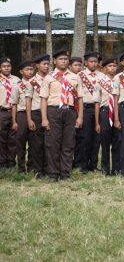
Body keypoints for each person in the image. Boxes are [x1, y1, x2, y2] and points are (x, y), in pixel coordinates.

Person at [40, 49, 83, 181]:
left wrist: (80, 117)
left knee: (68, 143)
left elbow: (80, 98)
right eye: (60, 59)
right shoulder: (49, 77)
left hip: (70, 111)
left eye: (65, 59)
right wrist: (44, 118)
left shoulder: (75, 77)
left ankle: (65, 174)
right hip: (53, 111)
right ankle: (53, 174)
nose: (63, 61)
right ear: (54, 61)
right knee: (53, 144)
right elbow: (44, 99)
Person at [75, 52, 101, 173]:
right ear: (85, 63)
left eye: (96, 61)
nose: (94, 64)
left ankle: (94, 165)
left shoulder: (101, 76)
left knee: (96, 138)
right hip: (85, 108)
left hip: (98, 108)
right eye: (91, 61)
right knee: (85, 138)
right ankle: (83, 165)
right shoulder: (79, 76)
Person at [24, 54, 48, 177]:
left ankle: (47, 168)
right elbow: (28, 100)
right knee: (36, 143)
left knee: (48, 143)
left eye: (48, 64)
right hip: (36, 113)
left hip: (50, 113)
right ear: (37, 66)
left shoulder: (51, 78)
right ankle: (37, 170)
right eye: (44, 64)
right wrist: (29, 119)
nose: (47, 66)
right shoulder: (31, 82)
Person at [96, 57, 119, 176]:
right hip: (104, 112)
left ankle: (116, 168)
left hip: (117, 112)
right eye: (109, 66)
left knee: (117, 141)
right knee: (105, 142)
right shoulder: (99, 82)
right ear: (104, 68)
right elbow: (97, 103)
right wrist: (97, 122)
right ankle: (105, 168)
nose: (112, 68)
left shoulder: (119, 80)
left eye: (114, 66)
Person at [0, 57, 20, 169]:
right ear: (0, 68)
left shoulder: (16, 80)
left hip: (14, 112)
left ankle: (11, 161)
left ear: (11, 67)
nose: (6, 68)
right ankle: (2, 162)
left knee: (13, 138)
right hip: (2, 112)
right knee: (1, 138)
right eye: (4, 66)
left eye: (8, 66)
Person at [14, 61, 33, 173]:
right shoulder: (17, 85)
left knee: (33, 142)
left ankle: (31, 166)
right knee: (20, 141)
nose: (30, 72)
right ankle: (21, 167)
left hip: (34, 114)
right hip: (22, 114)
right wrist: (14, 121)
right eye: (27, 69)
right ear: (21, 71)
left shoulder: (36, 83)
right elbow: (14, 104)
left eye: (31, 69)